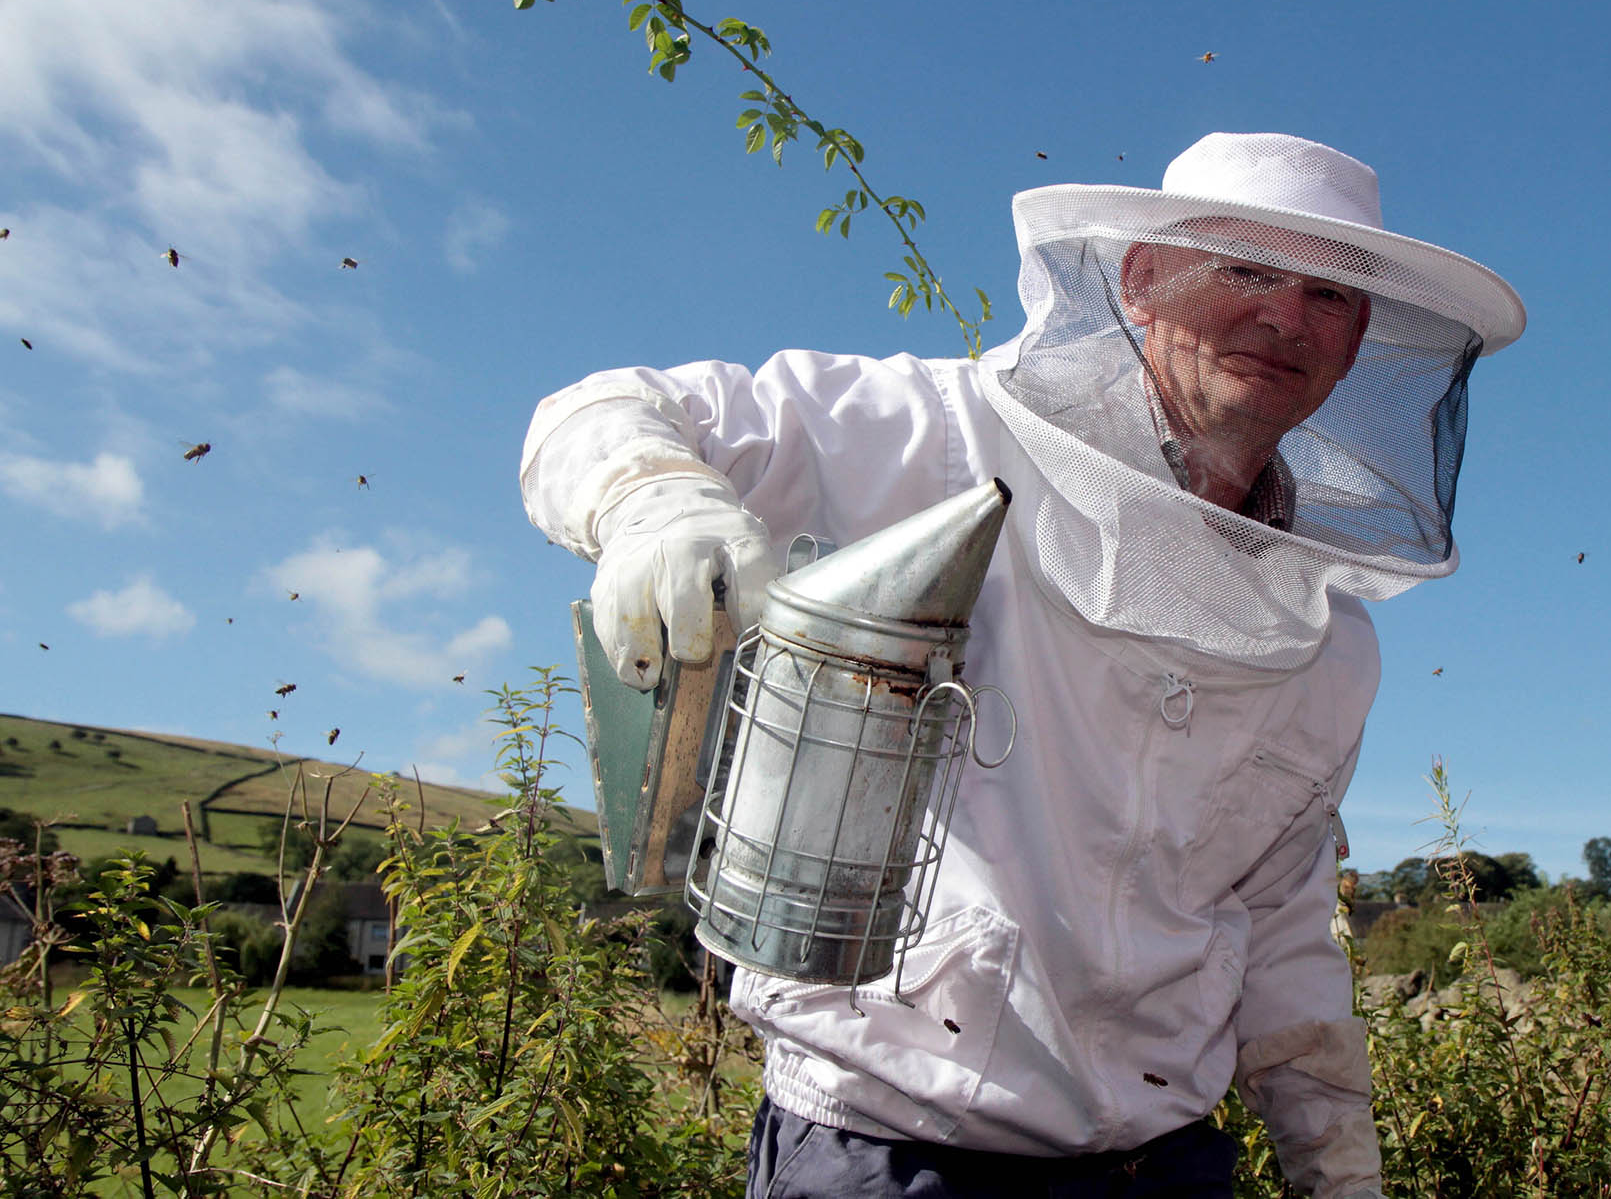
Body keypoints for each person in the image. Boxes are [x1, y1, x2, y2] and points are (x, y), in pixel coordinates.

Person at [520, 132, 1525, 1198]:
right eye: (1242, 270)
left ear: (1358, 335)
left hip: (1166, 1163)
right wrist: (653, 498)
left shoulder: (1327, 639)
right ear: (1140, 280)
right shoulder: (930, 434)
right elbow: (598, 411)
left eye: (1328, 296)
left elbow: (1277, 920)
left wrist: (1338, 1172)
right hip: (887, 1151)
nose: (1284, 317)